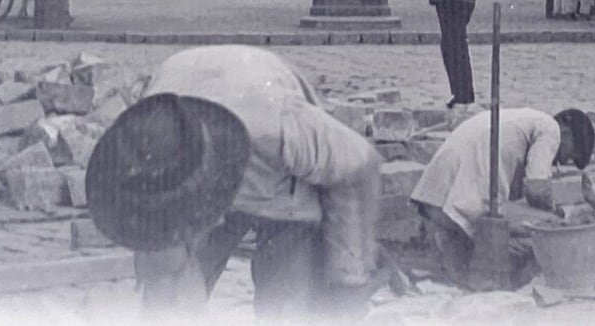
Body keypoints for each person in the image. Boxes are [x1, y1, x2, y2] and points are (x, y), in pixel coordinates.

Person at [86, 45, 382, 320]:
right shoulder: (153, 139)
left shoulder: (279, 129)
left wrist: (349, 275)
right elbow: (161, 262)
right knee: (167, 299)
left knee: (289, 306)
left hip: (282, 190)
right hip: (186, 92)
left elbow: (359, 166)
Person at [411, 107, 595, 285]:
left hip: (431, 197)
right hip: (455, 206)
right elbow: (537, 188)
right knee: (550, 227)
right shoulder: (550, 128)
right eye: (571, 153)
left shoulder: (518, 120)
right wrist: (555, 212)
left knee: (519, 216)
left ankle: (457, 256)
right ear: (566, 128)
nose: (563, 161)